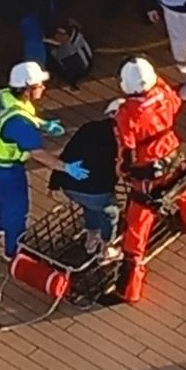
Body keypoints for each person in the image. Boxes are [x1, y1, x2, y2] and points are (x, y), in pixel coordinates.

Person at [111, 56, 186, 302]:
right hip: (172, 153)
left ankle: (130, 289)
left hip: (148, 169)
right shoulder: (163, 90)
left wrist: (124, 170)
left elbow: (127, 149)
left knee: (138, 223)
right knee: (178, 188)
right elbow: (175, 103)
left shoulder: (127, 113)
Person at [0, 61, 89, 260]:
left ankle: (2, 225)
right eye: (39, 85)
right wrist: (66, 168)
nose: (44, 87)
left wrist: (43, 124)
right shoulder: (20, 126)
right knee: (18, 209)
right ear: (27, 90)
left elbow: (19, 115)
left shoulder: (1, 95)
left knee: (3, 197)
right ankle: (13, 251)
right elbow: (38, 154)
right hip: (6, 167)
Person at [48, 99, 122, 260]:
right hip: (97, 191)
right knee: (110, 211)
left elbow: (67, 153)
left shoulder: (88, 128)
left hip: (70, 185)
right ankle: (106, 248)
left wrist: (54, 183)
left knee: (91, 204)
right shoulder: (122, 138)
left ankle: (91, 234)